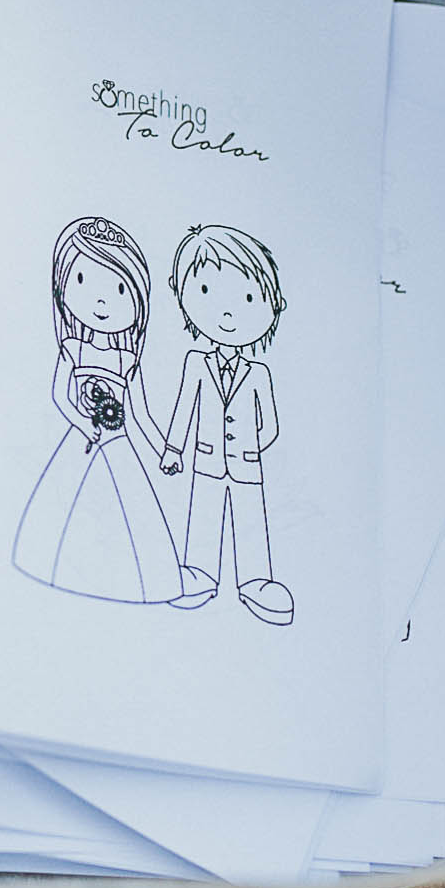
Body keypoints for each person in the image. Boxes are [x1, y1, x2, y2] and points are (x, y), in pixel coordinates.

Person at [9, 216, 181, 603]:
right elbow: (60, 396)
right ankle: (42, 566)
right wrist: (85, 425)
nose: (103, 302)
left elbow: (141, 415)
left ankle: (153, 582)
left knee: (134, 507)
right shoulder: (74, 348)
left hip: (119, 443)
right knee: (61, 501)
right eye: (84, 282)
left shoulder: (126, 359)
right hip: (85, 438)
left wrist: (165, 450)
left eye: (120, 289)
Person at [154, 223, 292, 625]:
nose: (228, 313)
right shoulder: (196, 362)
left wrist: (250, 446)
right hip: (207, 460)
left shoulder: (258, 372)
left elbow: (271, 426)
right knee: (205, 514)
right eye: (207, 294)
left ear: (271, 305)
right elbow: (185, 408)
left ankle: (256, 581)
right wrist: (174, 448)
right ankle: (199, 574)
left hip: (247, 464)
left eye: (248, 298)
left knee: (250, 518)